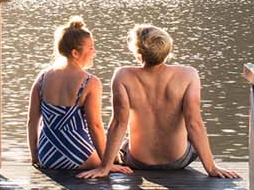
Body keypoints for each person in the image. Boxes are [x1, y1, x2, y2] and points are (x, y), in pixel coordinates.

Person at [79, 24, 240, 179]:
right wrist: (211, 168)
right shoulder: (189, 75)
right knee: (191, 129)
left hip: (137, 161)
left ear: (139, 54)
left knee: (125, 142)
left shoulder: (123, 75)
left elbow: (118, 123)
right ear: (166, 50)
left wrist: (104, 167)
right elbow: (194, 124)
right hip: (177, 160)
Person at [28, 15, 130, 173]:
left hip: (47, 156)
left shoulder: (42, 77)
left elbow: (32, 120)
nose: (94, 51)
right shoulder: (90, 82)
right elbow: (95, 126)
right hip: (78, 155)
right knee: (119, 156)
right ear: (75, 53)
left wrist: (35, 156)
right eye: (90, 48)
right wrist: (107, 165)